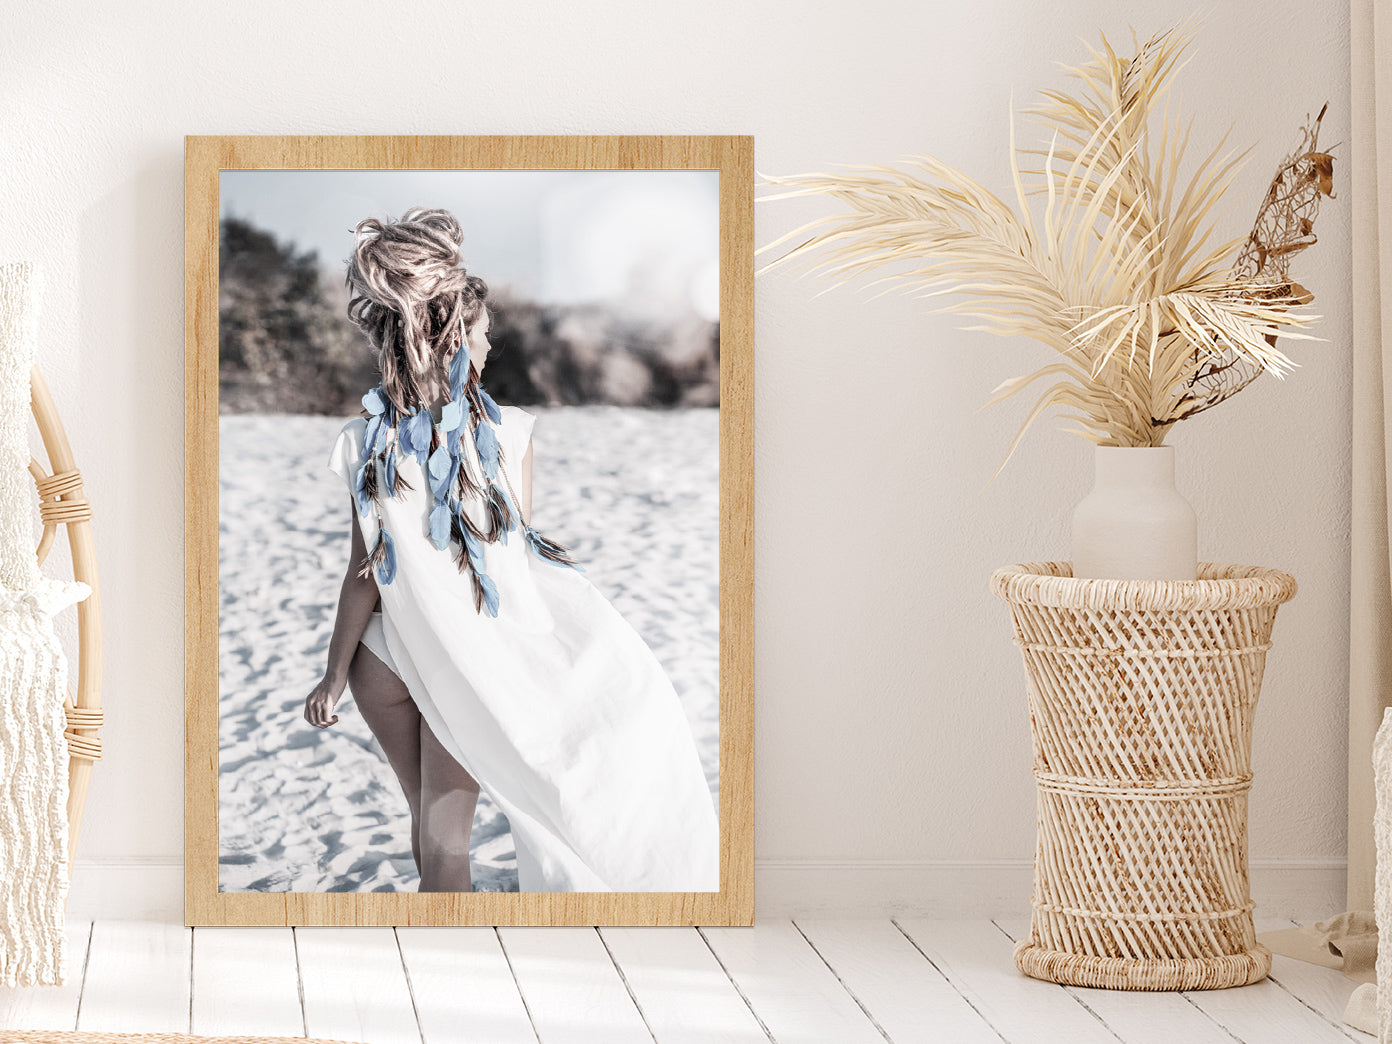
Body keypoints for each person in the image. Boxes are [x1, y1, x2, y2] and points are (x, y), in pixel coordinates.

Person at [302, 206, 719, 893]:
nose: (491, 346)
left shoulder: (363, 440)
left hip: (380, 654)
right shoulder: (511, 435)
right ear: (459, 339)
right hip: (456, 660)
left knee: (431, 838)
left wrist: (334, 675)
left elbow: (363, 574)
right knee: (449, 843)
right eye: (486, 333)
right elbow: (508, 564)